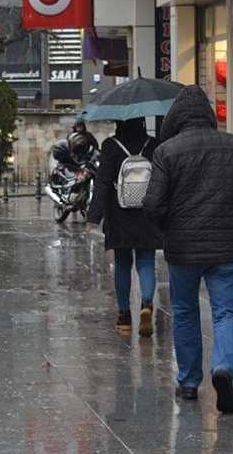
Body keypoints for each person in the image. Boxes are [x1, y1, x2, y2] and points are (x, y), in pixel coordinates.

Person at [143, 86, 233, 414]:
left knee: (185, 311)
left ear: (177, 118)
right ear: (209, 115)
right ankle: (223, 368)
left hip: (183, 250)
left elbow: (153, 202)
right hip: (224, 251)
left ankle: (188, 383)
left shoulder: (167, 152)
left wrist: (169, 230)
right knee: (226, 311)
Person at [86, 118, 162, 337]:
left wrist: (93, 216)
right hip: (147, 213)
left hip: (119, 214)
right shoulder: (154, 145)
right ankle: (147, 303)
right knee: (146, 262)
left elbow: (101, 183)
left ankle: (124, 317)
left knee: (122, 263)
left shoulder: (111, 146)